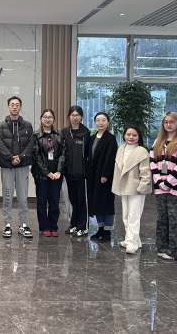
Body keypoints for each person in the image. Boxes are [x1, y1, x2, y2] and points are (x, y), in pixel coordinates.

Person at [149, 111, 177, 261]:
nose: (169, 125)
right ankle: (162, 247)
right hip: (160, 188)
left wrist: (168, 183)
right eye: (166, 122)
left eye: (172, 122)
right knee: (162, 219)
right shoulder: (157, 143)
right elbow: (153, 164)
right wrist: (159, 182)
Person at [0, 96, 35, 239]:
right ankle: (7, 224)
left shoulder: (27, 125)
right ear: (8, 107)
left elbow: (30, 144)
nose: (14, 107)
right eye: (12, 104)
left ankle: (23, 224)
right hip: (7, 166)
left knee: (23, 197)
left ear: (20, 107)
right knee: (7, 196)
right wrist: (10, 158)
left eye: (17, 105)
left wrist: (21, 157)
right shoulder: (0, 126)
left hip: (22, 166)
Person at [112, 125, 152, 255]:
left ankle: (131, 243)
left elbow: (146, 172)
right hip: (123, 186)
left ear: (139, 137)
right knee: (125, 215)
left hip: (136, 187)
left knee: (133, 216)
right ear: (124, 135)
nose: (131, 137)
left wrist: (143, 186)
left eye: (134, 135)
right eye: (128, 134)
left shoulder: (141, 151)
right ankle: (134, 240)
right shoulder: (120, 149)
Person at [31, 109, 66, 237]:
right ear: (41, 118)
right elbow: (36, 156)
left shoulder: (59, 135)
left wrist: (58, 171)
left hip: (56, 175)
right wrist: (46, 172)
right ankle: (44, 227)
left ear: (53, 119)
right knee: (41, 202)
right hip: (41, 175)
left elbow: (63, 154)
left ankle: (53, 226)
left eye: (50, 117)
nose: (47, 119)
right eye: (45, 117)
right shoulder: (36, 135)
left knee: (54, 201)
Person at [87, 112, 118, 243]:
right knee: (97, 202)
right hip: (93, 176)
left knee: (106, 203)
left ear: (108, 123)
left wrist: (105, 174)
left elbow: (110, 158)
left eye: (103, 120)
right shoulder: (92, 138)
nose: (101, 122)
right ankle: (100, 228)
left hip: (104, 176)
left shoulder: (110, 138)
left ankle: (107, 231)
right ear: (95, 122)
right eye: (98, 120)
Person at [62, 105, 91, 236]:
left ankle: (83, 226)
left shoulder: (86, 133)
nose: (75, 117)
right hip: (69, 172)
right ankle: (74, 224)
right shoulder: (65, 132)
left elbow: (88, 154)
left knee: (81, 200)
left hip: (81, 173)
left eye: (77, 115)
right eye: (72, 115)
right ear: (69, 117)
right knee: (72, 199)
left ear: (81, 117)